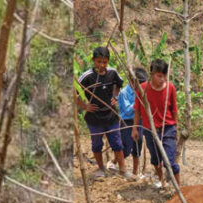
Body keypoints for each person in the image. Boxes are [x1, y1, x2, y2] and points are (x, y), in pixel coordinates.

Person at [75, 46, 131, 180]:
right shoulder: (87, 76)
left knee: (117, 143)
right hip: (94, 118)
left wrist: (115, 96)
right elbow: (74, 91)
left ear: (108, 61)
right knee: (96, 144)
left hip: (111, 116)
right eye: (98, 61)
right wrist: (84, 106)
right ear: (93, 60)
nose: (101, 65)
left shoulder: (112, 72)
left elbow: (119, 84)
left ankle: (123, 169)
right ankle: (101, 169)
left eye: (104, 62)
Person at [132, 59, 180, 188]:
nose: (162, 79)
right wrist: (135, 128)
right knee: (155, 159)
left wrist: (177, 129)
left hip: (168, 128)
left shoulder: (170, 88)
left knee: (169, 161)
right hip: (149, 130)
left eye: (165, 75)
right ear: (152, 74)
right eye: (159, 75)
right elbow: (137, 110)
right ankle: (163, 181)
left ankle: (179, 188)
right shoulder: (142, 89)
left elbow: (174, 110)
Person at [110, 67, 148, 179]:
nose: (141, 87)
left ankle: (135, 172)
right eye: (138, 84)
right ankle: (114, 161)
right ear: (131, 81)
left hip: (138, 121)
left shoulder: (142, 92)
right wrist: (139, 104)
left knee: (138, 144)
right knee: (126, 149)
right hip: (126, 122)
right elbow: (127, 110)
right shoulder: (124, 93)